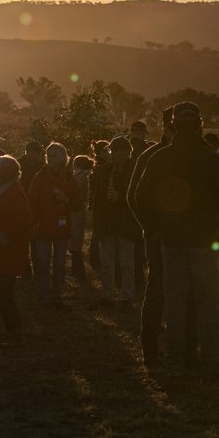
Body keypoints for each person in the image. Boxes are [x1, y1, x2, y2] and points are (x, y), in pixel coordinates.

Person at [133, 102, 219, 377]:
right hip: (203, 242)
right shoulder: (211, 158)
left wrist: (154, 228)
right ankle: (212, 363)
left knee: (175, 304)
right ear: (200, 125)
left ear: (173, 126)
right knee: (208, 304)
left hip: (172, 241)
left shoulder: (161, 158)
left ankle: (175, 362)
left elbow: (140, 198)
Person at [127, 106, 175, 369]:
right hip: (158, 237)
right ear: (167, 127)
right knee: (157, 290)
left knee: (183, 293)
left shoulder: (190, 155)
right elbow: (133, 197)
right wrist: (150, 228)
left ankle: (183, 348)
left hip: (185, 236)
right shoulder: (150, 156)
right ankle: (150, 348)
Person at [0, 155, 32, 341]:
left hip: (6, 251)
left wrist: (0, 234)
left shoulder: (13, 193)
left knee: (3, 292)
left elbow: (23, 220)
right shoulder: (1, 191)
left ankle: (12, 328)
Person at [28, 142, 81, 309]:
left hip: (61, 228)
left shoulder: (70, 179)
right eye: (48, 155)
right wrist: (35, 221)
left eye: (53, 155)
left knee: (59, 265)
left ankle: (56, 297)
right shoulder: (40, 177)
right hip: (43, 228)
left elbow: (78, 204)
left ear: (63, 158)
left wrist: (68, 201)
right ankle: (42, 297)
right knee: (43, 265)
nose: (49, 158)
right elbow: (32, 201)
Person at [92, 136, 141, 308]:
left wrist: (119, 197)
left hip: (126, 225)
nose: (116, 154)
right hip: (108, 224)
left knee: (126, 264)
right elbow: (97, 199)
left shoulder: (135, 171)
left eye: (120, 151)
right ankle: (107, 295)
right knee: (107, 264)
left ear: (128, 152)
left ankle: (126, 298)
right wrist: (98, 224)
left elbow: (138, 198)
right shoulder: (104, 171)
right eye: (114, 151)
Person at [69, 154, 93, 283]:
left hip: (75, 211)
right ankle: (76, 269)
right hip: (78, 212)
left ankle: (78, 271)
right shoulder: (83, 176)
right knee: (75, 241)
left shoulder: (79, 177)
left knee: (75, 242)